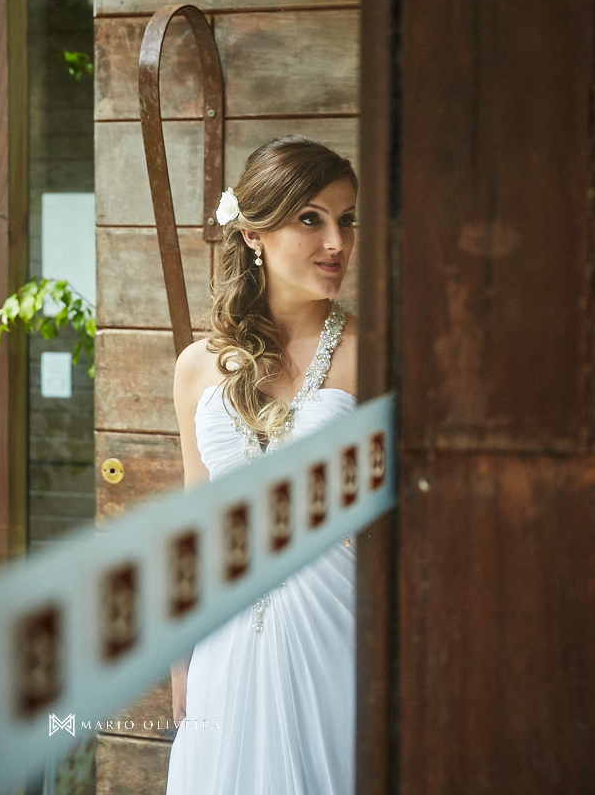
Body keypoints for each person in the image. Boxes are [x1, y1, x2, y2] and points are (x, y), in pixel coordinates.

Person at [165, 135, 359, 795]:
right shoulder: (196, 370)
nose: (336, 241)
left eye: (346, 218)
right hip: (223, 647)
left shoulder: (380, 353)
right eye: (311, 218)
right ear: (253, 234)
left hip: (340, 633)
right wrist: (182, 660)